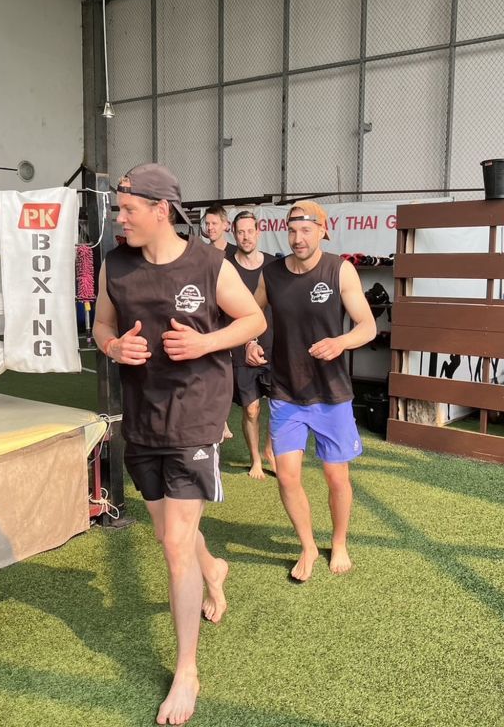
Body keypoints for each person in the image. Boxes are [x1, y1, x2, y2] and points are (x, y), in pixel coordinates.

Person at [93, 163, 264, 725]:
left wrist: (205, 343)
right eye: (119, 209)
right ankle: (213, 569)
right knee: (172, 534)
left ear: (161, 209)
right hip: (142, 418)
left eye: (128, 210)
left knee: (173, 545)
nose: (120, 219)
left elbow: (253, 320)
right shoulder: (115, 263)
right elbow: (102, 326)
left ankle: (186, 670)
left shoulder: (208, 263)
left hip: (195, 417)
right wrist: (114, 348)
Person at [248, 201, 376, 582]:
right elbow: (250, 315)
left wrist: (341, 342)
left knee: (337, 478)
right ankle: (307, 547)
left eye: (306, 230)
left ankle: (338, 541)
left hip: (331, 394)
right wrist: (249, 341)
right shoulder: (271, 274)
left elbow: (367, 326)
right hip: (286, 392)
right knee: (287, 477)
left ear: (322, 231)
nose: (298, 238)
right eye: (292, 231)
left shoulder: (339, 270)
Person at [228, 211, 276, 480]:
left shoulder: (273, 267)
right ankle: (255, 459)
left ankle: (269, 450)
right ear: (234, 234)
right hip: (240, 349)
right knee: (251, 408)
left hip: (273, 348)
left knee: (279, 406)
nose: (246, 237)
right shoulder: (226, 268)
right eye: (240, 232)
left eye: (250, 231)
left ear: (259, 232)